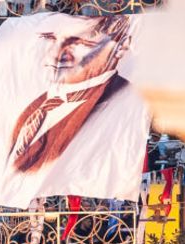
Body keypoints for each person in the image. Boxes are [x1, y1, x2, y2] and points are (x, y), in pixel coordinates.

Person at [8, 16, 135, 175]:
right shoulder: (32, 104)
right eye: (51, 39)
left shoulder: (124, 101)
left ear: (121, 46)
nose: (55, 54)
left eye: (79, 43)